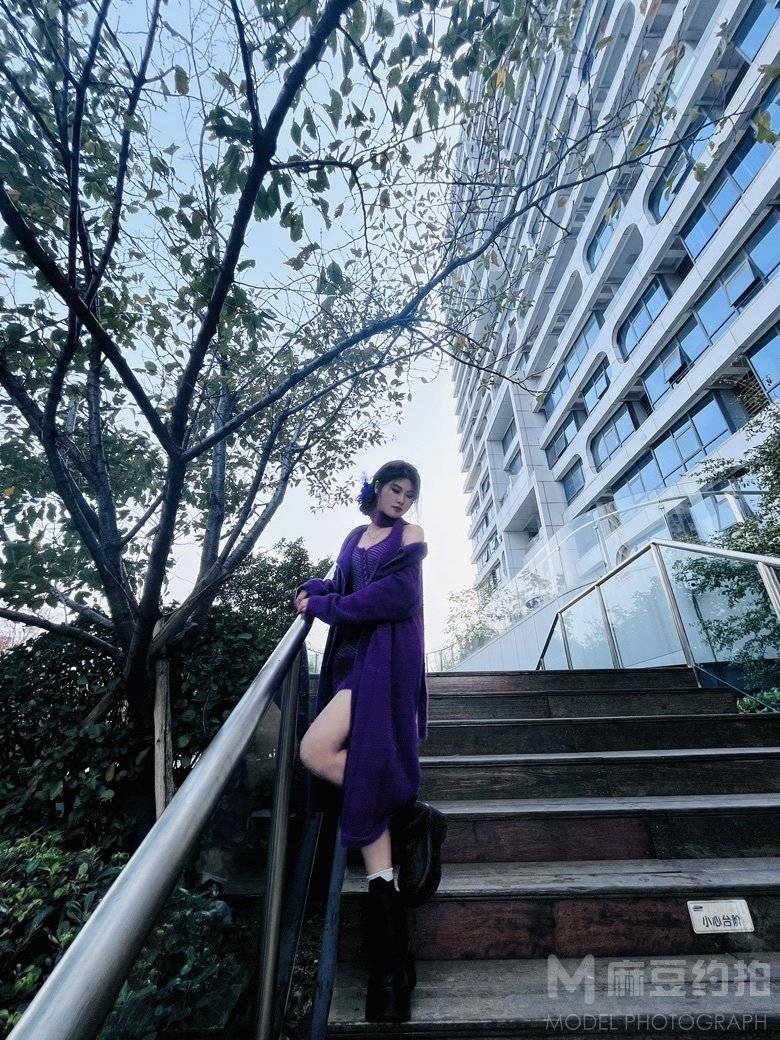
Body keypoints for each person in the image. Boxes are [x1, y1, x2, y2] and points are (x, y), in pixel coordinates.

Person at [293, 460, 447, 1023]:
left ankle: (407, 808)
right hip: (348, 662)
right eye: (395, 489)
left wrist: (326, 608)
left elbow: (395, 598)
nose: (402, 499)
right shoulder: (354, 537)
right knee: (375, 846)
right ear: (377, 489)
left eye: (410, 493)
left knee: (314, 751)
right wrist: (315, 590)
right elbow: (344, 585)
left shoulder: (411, 536)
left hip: (383, 665)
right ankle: (392, 974)